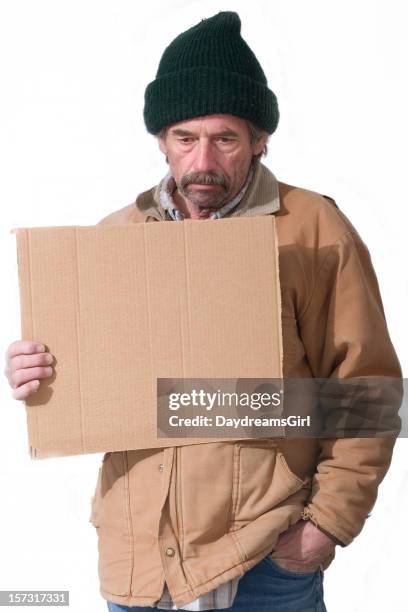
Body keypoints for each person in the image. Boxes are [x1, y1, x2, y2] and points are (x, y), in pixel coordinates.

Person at [4, 11, 402, 612]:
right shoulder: (117, 237)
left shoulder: (312, 231)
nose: (203, 162)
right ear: (161, 140)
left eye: (225, 138)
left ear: (261, 138)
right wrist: (39, 373)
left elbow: (367, 389)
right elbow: (100, 390)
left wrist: (325, 525)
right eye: (185, 139)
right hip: (138, 566)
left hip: (263, 560)